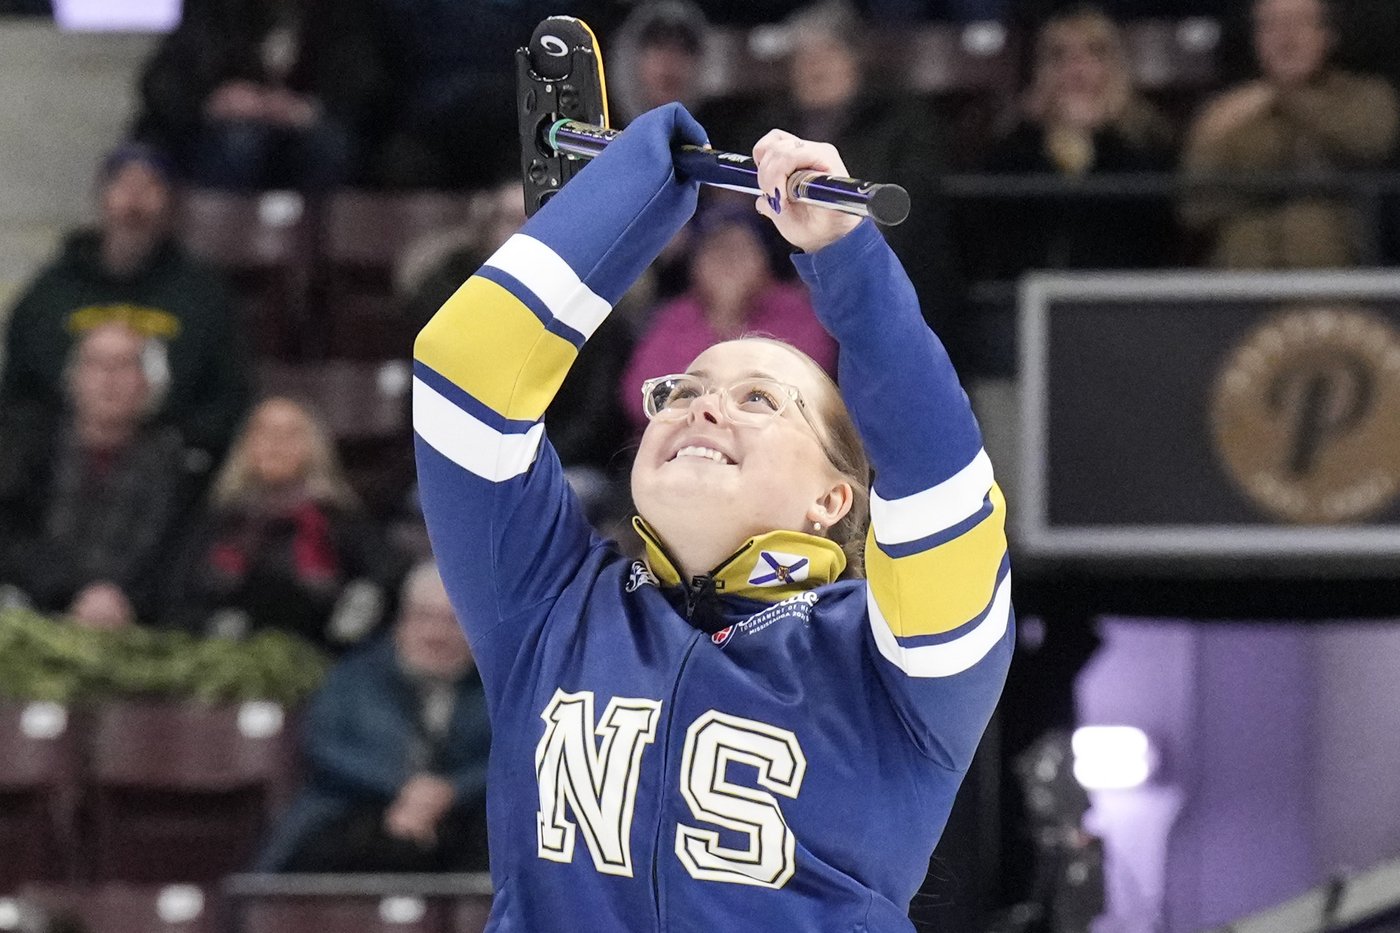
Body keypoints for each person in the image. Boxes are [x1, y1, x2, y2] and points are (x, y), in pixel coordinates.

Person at [412, 103, 1011, 930]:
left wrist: (846, 254)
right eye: (681, 391)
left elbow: (942, 478)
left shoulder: (901, 661)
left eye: (759, 399)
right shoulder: (547, 605)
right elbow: (464, 376)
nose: (702, 409)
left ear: (835, 496)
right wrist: (631, 194)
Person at [1, 143, 250, 458]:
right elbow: (18, 393)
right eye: (123, 185)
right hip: (60, 465)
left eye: (149, 186)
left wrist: (173, 443)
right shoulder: (51, 291)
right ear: (101, 196)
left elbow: (227, 395)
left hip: (170, 466)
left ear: (170, 202)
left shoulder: (201, 293)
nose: (134, 201)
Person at [255, 561, 491, 873]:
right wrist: (405, 789)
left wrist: (451, 791)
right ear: (402, 619)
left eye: (453, 621)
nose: (437, 635)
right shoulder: (354, 677)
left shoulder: (497, 689)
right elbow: (323, 744)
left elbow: (517, 758)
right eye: (425, 617)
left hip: (466, 823)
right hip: (353, 813)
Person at [165, 396, 403, 650]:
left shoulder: (339, 517)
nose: (276, 444)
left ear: (314, 446)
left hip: (320, 656)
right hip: (220, 656)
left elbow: (385, 578)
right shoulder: (216, 515)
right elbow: (176, 594)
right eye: (264, 432)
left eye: (291, 434)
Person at [1180, 0, 1400, 268]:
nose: (1285, 38)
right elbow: (1196, 206)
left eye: (1300, 23)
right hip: (1242, 279)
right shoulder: (1227, 110)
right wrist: (1217, 129)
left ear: (1327, 35)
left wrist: (1284, 94)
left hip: (1335, 278)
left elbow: (1371, 143)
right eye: (1270, 26)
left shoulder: (1367, 97)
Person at [0, 323, 191, 628]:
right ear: (73, 377)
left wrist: (120, 599)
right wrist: (71, 592)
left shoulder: (178, 464)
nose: (107, 379)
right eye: (95, 364)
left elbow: (175, 557)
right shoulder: (28, 448)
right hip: (30, 613)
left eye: (123, 366)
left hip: (137, 623)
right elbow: (11, 536)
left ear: (149, 381)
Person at [971, 6, 1178, 279]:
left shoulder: (1151, 143)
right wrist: (1039, 140)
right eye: (1059, 56)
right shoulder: (1013, 148)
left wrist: (1105, 140)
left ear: (1116, 66)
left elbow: (1152, 235)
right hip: (1026, 304)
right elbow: (993, 235)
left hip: (1126, 304)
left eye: (1094, 52)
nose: (1077, 68)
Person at [619, 201, 837, 438]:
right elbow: (637, 396)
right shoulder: (675, 314)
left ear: (765, 262)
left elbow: (803, 394)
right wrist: (722, 317)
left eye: (740, 249)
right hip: (682, 442)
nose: (728, 260)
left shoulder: (796, 311)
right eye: (716, 249)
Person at [133, 0, 391, 190]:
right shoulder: (214, 10)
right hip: (224, 139)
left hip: (309, 134)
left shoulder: (344, 11)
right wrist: (217, 101)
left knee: (331, 148)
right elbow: (163, 82)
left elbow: (365, 84)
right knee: (240, 144)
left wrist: (306, 109)